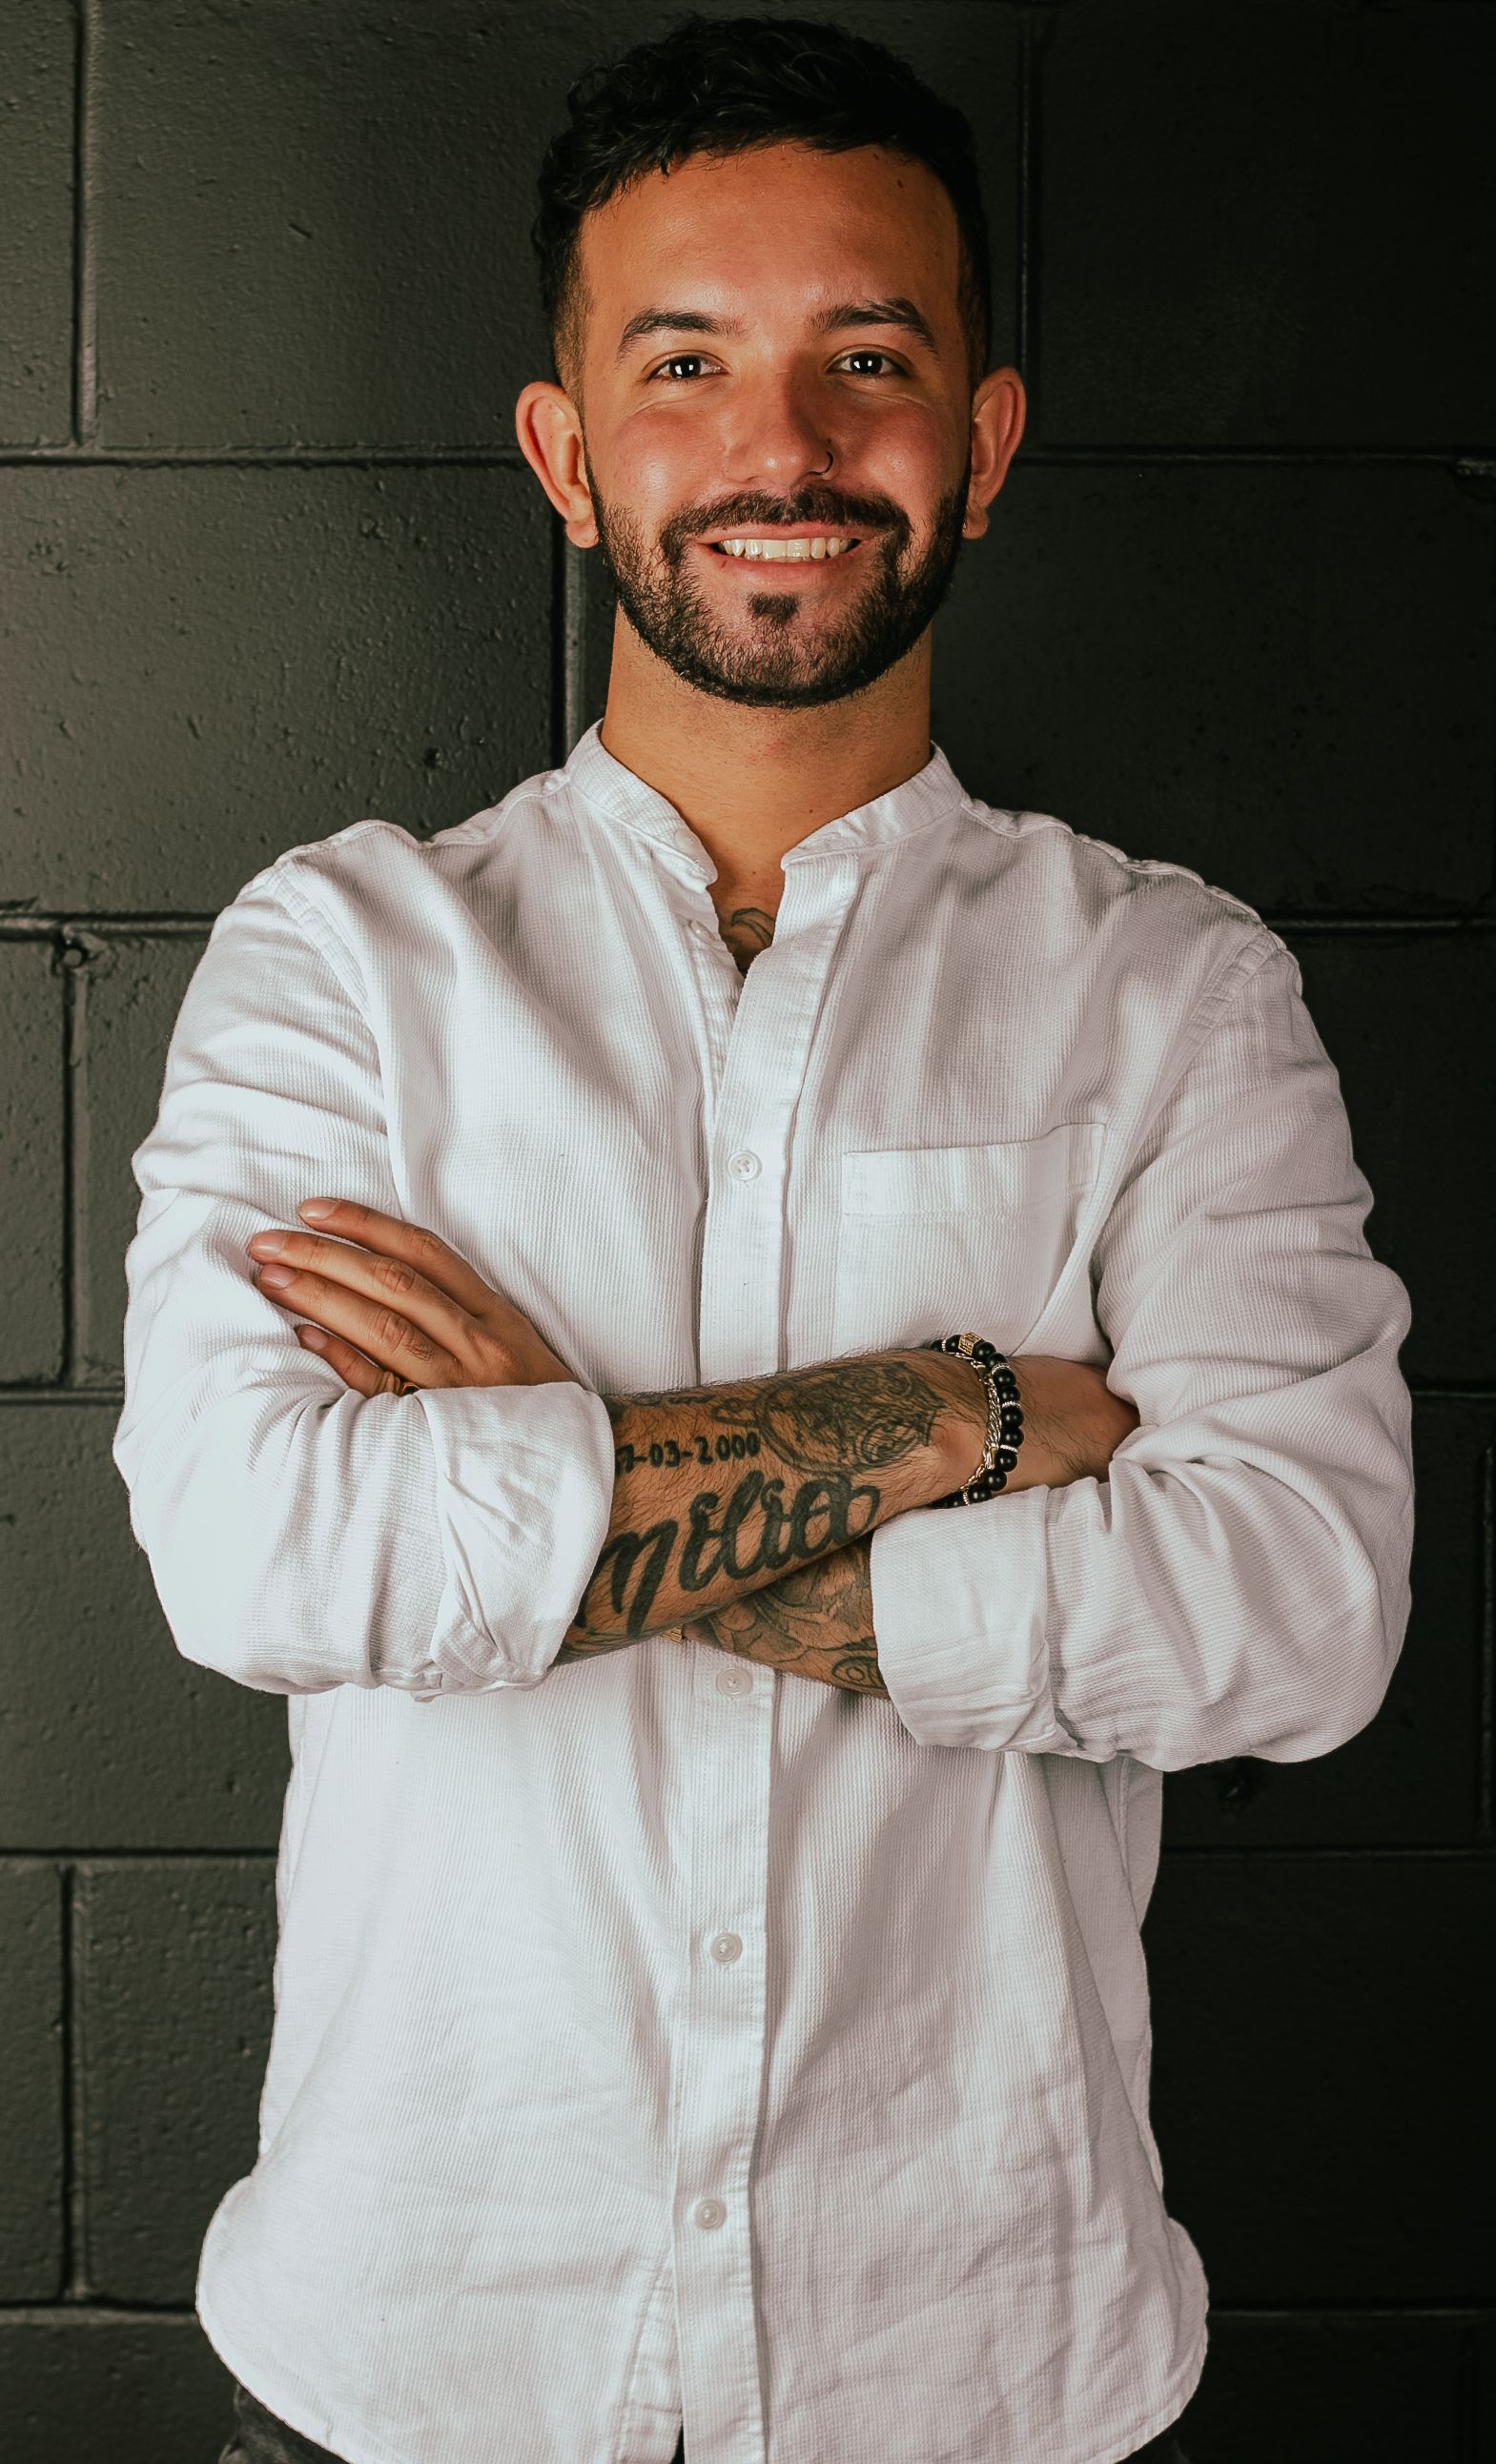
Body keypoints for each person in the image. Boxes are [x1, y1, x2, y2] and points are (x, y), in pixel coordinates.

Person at [113, 14, 1414, 2464]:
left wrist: (520, 1469)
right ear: (568, 452)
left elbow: (1301, 1611)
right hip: (418, 2347)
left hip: (986, 2358)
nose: (782, 450)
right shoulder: (344, 958)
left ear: (981, 444)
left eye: (868, 361)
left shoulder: (1169, 988)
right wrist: (952, 1422)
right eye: (686, 362)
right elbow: (257, 1551)